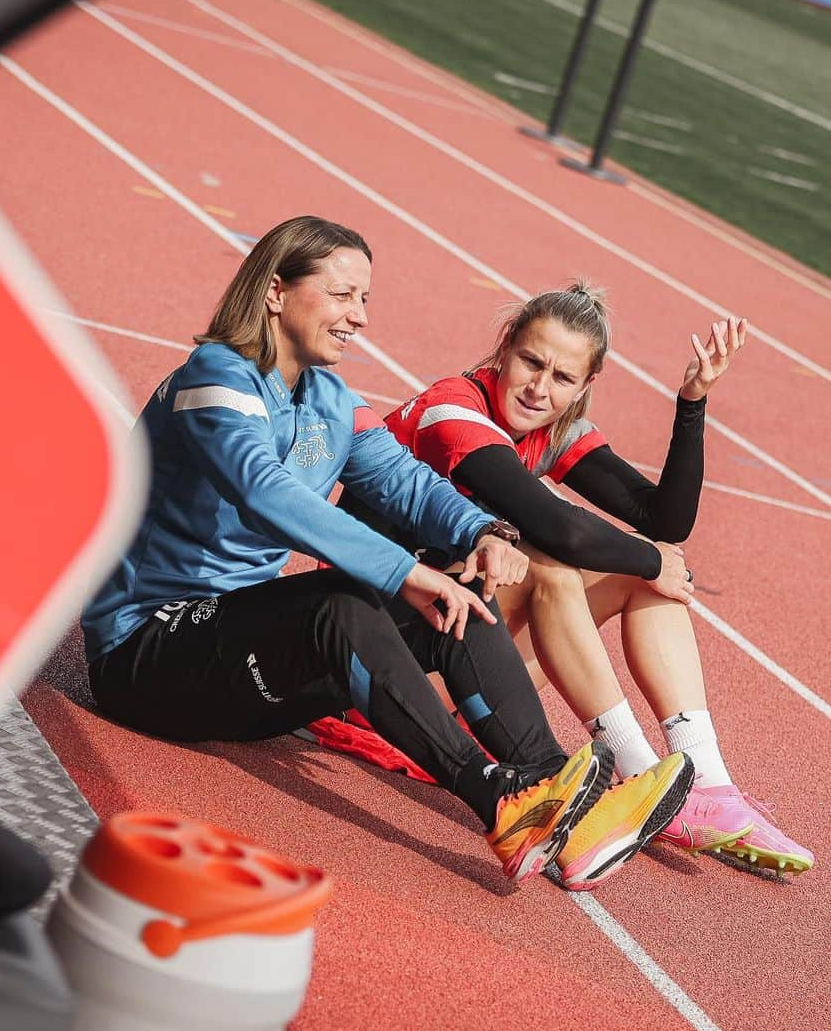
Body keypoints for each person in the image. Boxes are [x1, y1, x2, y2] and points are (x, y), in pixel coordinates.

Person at [82, 218, 693, 893]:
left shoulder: (330, 401)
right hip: (143, 655)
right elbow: (264, 491)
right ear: (277, 291)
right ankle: (499, 804)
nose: (360, 317)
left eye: (364, 300)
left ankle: (562, 804)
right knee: (340, 603)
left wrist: (483, 533)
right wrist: (404, 572)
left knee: (461, 602)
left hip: (231, 664)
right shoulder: (216, 376)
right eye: (344, 295)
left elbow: (407, 482)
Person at [342, 281, 810, 876]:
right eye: (532, 362)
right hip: (386, 663)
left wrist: (692, 403)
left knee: (647, 573)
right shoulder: (452, 409)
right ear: (504, 348)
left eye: (563, 378)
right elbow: (560, 530)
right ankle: (643, 778)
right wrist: (653, 558)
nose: (540, 388)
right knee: (556, 567)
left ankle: (706, 785)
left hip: (467, 653)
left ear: (585, 386)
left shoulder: (551, 425)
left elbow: (664, 520)